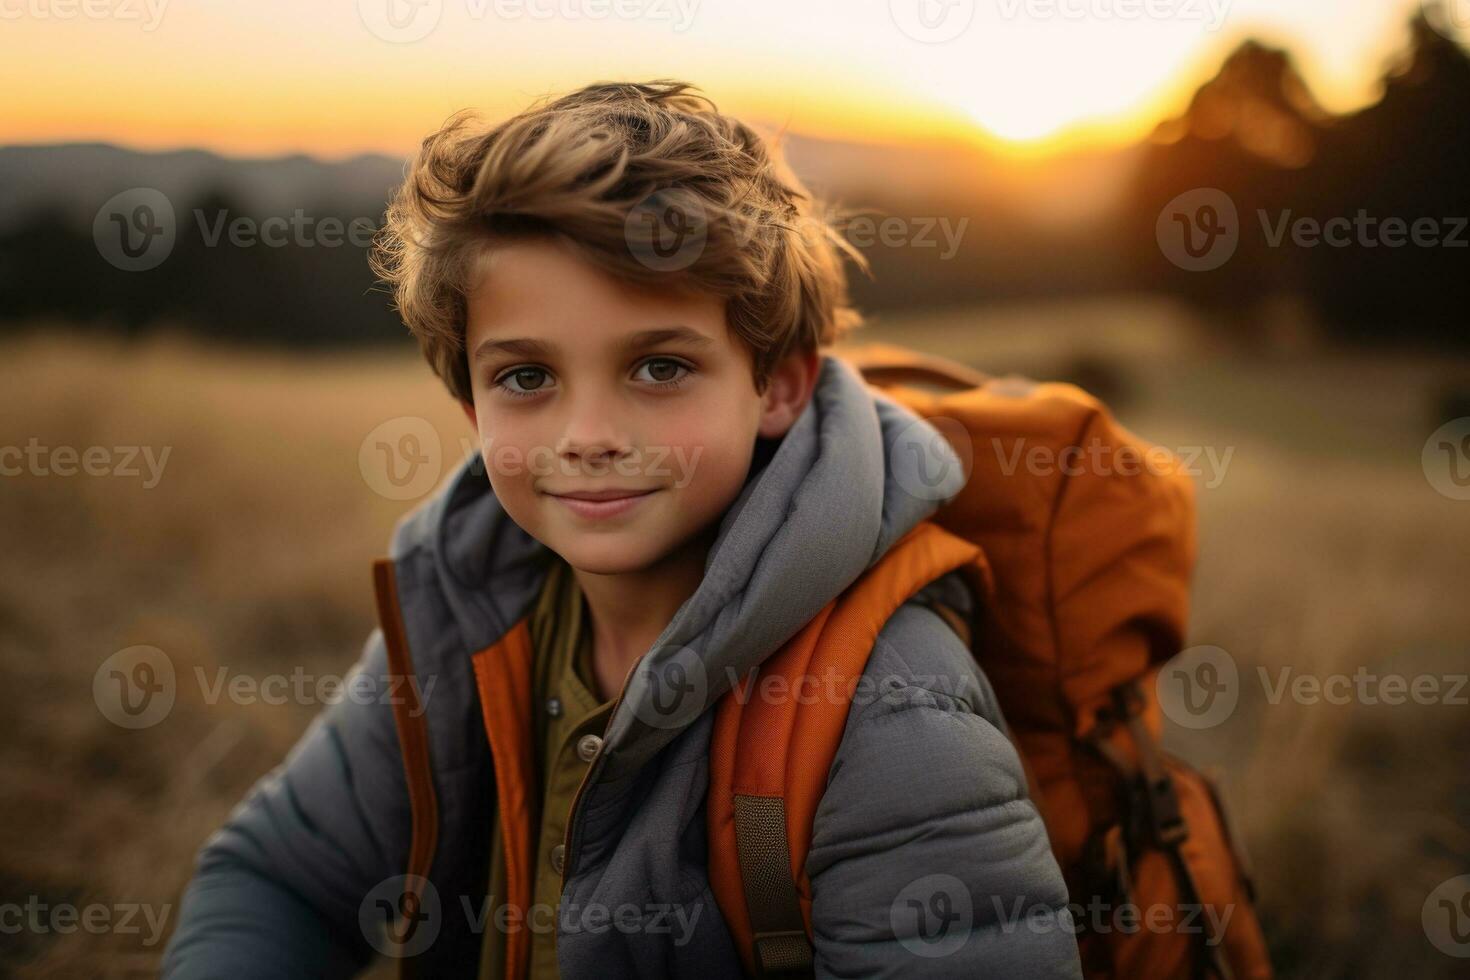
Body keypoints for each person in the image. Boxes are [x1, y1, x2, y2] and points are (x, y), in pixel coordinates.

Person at [161, 79, 1081, 979]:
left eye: (659, 367)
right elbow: (275, 879)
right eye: (526, 378)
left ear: (780, 385)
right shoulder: (467, 613)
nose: (589, 436)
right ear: (470, 401)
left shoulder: (890, 713)